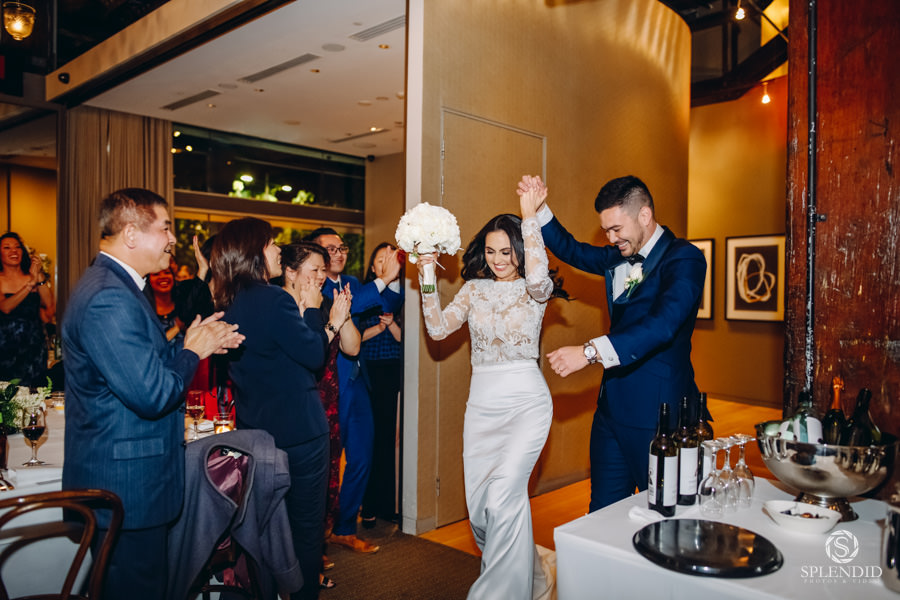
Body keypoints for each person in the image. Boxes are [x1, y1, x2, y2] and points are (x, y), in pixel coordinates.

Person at [61, 188, 244, 600]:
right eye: (165, 228)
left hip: (130, 485)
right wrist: (192, 353)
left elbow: (144, 361)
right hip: (125, 487)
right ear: (131, 234)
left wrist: (192, 343)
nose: (172, 239)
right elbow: (153, 393)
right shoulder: (108, 296)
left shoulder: (122, 286)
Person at [517, 174, 707, 512]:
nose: (611, 238)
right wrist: (540, 208)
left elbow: (663, 324)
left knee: (663, 511)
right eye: (606, 230)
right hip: (611, 410)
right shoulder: (619, 255)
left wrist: (590, 352)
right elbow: (572, 250)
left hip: (658, 413)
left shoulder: (684, 258)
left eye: (616, 229)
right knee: (603, 511)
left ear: (644, 215)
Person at [416, 198, 554, 600]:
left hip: (527, 403)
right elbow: (438, 329)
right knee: (481, 511)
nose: (497, 260)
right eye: (491, 251)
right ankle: (536, 578)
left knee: (505, 495)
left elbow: (538, 274)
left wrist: (529, 218)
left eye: (507, 252)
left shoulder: (536, 290)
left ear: (521, 251)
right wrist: (427, 272)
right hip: (482, 406)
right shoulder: (474, 290)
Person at [211, 218, 330, 600]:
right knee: (305, 530)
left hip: (256, 436)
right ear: (254, 251)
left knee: (263, 528)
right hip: (300, 433)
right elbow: (314, 354)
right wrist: (312, 311)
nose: (279, 249)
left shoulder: (227, 302)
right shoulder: (274, 299)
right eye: (272, 243)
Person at [304, 227, 402, 553]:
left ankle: (345, 527)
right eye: (330, 249)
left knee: (361, 457)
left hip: (358, 381)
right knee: (329, 461)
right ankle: (318, 531)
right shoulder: (315, 286)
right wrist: (383, 279)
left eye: (342, 247)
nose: (339, 253)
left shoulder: (352, 282)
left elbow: (385, 301)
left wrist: (393, 278)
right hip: (330, 384)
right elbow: (349, 306)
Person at [280, 242, 358, 590]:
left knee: (324, 485)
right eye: (315, 269)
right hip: (293, 405)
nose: (321, 276)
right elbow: (304, 355)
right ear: (290, 272)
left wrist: (344, 315)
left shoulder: (326, 303)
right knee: (288, 490)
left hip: (326, 400)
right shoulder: (279, 307)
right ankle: (289, 568)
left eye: (323, 270)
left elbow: (352, 347)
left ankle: (311, 559)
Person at [359, 242, 403, 528]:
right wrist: (379, 327)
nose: (386, 262)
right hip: (370, 372)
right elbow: (355, 338)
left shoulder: (406, 293)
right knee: (371, 439)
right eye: (380, 259)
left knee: (390, 439)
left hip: (395, 371)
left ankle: (387, 504)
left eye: (391, 257)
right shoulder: (366, 294)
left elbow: (405, 339)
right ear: (373, 268)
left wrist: (392, 325)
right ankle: (369, 503)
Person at [0, 232, 55, 387]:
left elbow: (50, 306)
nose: (13, 251)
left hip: (34, 346)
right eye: (7, 247)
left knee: (35, 391)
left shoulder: (33, 277)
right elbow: (5, 307)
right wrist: (30, 285)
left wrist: (39, 276)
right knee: (8, 393)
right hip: (6, 347)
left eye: (17, 247)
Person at [147, 259, 182, 341]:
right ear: (148, 280)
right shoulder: (144, 310)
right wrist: (177, 327)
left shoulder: (185, 305)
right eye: (156, 274)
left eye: (167, 273)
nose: (163, 277)